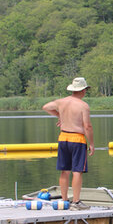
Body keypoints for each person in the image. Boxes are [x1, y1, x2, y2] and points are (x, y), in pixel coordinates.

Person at [43, 77, 94, 211]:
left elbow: (46, 107)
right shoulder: (83, 106)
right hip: (77, 139)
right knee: (77, 171)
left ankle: (64, 200)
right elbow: (87, 126)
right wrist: (92, 143)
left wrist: (59, 116)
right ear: (83, 90)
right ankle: (76, 202)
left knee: (64, 170)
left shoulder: (61, 102)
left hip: (63, 137)